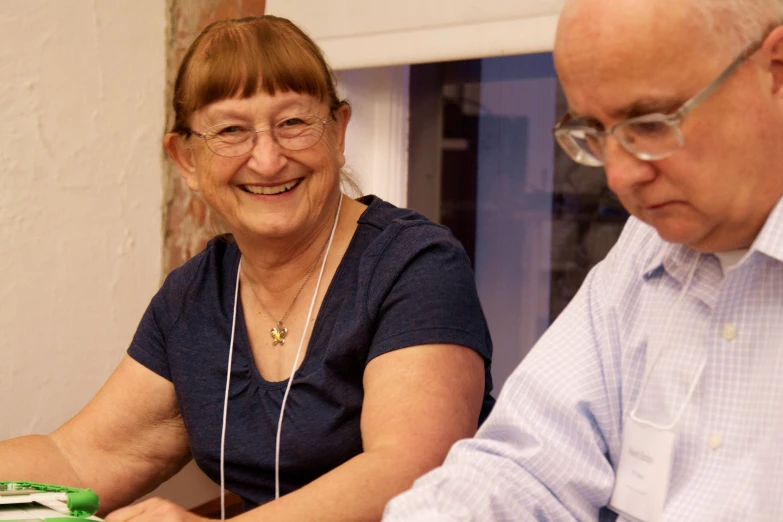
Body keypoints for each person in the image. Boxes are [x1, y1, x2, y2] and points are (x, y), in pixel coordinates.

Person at [0, 15, 495, 522]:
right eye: (231, 130)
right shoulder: (194, 296)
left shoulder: (415, 264)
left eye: (294, 123)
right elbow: (80, 459)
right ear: (186, 159)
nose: (267, 158)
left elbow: (411, 470)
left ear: (339, 131)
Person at [382, 0, 783, 520]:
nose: (618, 177)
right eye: (595, 131)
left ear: (775, 71)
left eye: (653, 124)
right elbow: (527, 465)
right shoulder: (648, 245)